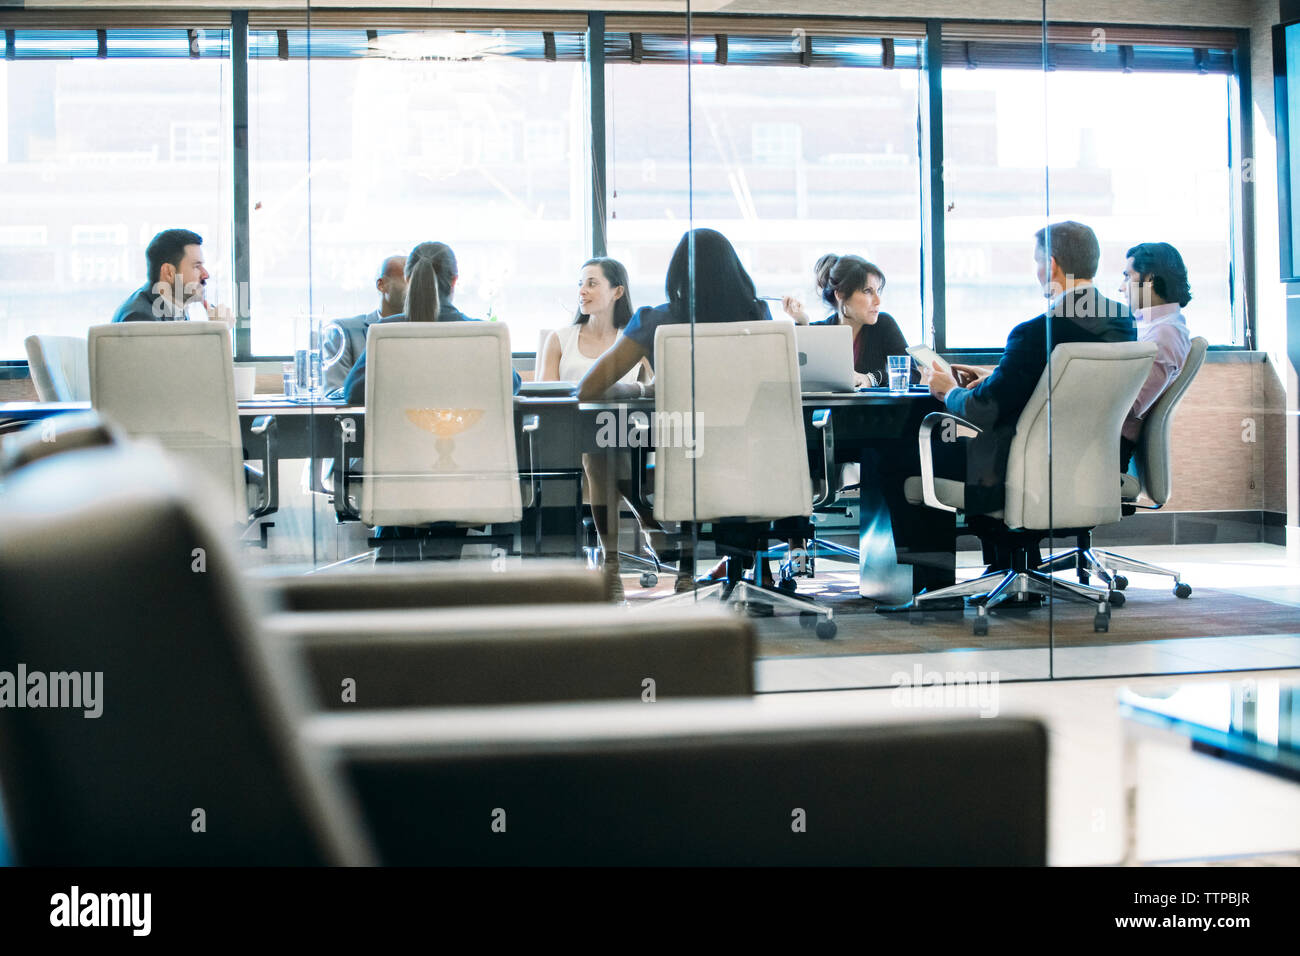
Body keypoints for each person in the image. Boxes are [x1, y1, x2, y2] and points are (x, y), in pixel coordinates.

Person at [922, 220, 1135, 573]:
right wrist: (995, 377)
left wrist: (949, 391)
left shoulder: (1034, 332)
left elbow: (983, 409)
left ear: (1051, 264)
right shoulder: (1121, 320)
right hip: (1091, 463)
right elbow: (1061, 387)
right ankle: (1013, 570)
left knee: (914, 447)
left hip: (1027, 468)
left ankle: (933, 581)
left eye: (1037, 262)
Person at [578, 229, 774, 593]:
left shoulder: (656, 320)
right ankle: (678, 562)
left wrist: (641, 388)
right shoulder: (759, 316)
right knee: (622, 443)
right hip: (744, 447)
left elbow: (589, 387)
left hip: (679, 435)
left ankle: (613, 565)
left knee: (599, 442)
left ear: (677, 274)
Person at [539, 258, 664, 600]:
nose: (582, 290)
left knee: (602, 444)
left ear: (617, 291)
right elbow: (547, 397)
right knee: (598, 442)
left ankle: (610, 564)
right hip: (567, 437)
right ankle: (645, 517)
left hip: (622, 434)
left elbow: (659, 385)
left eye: (592, 283)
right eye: (581, 283)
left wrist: (633, 390)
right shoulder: (559, 338)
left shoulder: (632, 340)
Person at [343, 241, 520, 404]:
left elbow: (353, 393)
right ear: (454, 281)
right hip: (468, 436)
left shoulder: (386, 333)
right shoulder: (484, 335)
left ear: (408, 279)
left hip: (403, 438)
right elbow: (512, 385)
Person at [782, 253, 918, 387]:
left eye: (878, 291)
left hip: (875, 409)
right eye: (868, 291)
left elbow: (911, 374)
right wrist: (802, 322)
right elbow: (799, 377)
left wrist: (871, 379)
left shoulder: (884, 324)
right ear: (840, 294)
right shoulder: (819, 332)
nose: (878, 301)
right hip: (829, 409)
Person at [1118, 242, 1193, 472]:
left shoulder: (1165, 334)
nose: (1122, 288)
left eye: (1128, 277)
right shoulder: (1152, 327)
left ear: (1149, 279)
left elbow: (1133, 405)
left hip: (1112, 446)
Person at [321, 255, 407, 398]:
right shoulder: (344, 332)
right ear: (381, 285)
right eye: (406, 279)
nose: (416, 287)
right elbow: (334, 394)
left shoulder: (424, 332)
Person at [112, 228, 228, 323]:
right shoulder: (140, 318)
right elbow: (179, 352)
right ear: (169, 273)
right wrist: (218, 330)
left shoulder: (175, 307)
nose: (205, 275)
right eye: (196, 266)